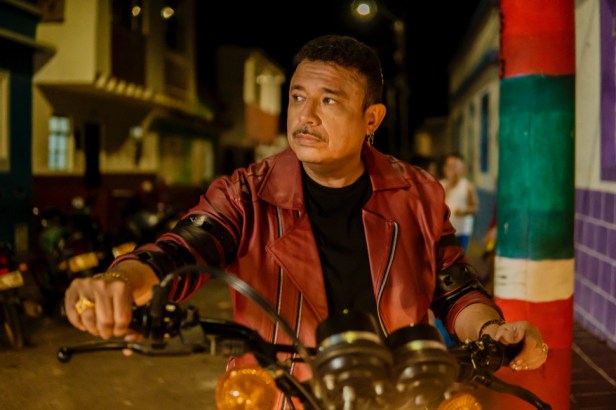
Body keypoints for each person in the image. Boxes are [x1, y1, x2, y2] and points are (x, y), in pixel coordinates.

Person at [64, 35, 548, 407]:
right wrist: (118, 284)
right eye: (297, 97)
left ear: (372, 118)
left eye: (329, 100)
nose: (305, 116)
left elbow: (454, 290)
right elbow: (181, 250)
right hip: (283, 396)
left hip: (395, 396)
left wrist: (492, 332)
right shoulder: (245, 193)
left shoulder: (418, 193)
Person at [439, 153, 479, 252]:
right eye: (449, 166)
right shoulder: (440, 185)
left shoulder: (467, 186)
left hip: (462, 231)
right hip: (443, 231)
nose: (451, 170)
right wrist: (449, 186)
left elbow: (475, 208)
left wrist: (465, 211)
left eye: (455, 167)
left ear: (462, 169)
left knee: (459, 257)